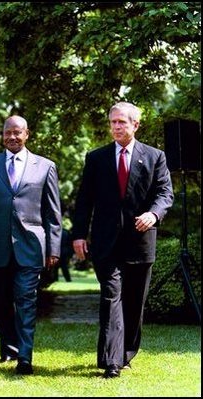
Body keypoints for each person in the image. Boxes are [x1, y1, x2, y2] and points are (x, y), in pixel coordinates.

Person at [72, 102, 174, 379]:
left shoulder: (155, 157)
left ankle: (127, 352)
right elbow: (84, 201)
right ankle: (111, 361)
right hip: (106, 243)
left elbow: (165, 194)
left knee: (134, 301)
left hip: (141, 241)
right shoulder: (97, 158)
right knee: (111, 296)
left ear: (135, 125)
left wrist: (154, 214)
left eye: (122, 123)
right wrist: (79, 234)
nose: (116, 127)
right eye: (113, 122)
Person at [0, 115, 62, 375]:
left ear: (27, 134)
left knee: (26, 300)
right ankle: (8, 348)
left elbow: (53, 213)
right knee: (0, 301)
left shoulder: (45, 166)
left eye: (17, 133)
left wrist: (54, 248)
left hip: (31, 246)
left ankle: (25, 357)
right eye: (7, 132)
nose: (12, 137)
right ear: (2, 135)